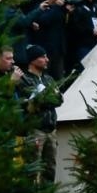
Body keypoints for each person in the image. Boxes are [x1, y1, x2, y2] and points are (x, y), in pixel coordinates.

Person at [15, 44, 62, 185]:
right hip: (35, 129)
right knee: (33, 167)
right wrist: (47, 99)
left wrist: (45, 99)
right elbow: (31, 102)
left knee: (50, 168)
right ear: (33, 60)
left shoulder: (49, 79)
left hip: (51, 129)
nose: (47, 59)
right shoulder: (24, 80)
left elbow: (59, 99)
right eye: (43, 56)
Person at [22, 0, 69, 79]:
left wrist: (66, 11)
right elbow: (44, 21)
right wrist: (56, 7)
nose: (61, 0)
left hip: (58, 49)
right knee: (45, 75)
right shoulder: (41, 6)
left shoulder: (60, 9)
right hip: (45, 48)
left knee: (59, 77)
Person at [64, 0, 97, 71]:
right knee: (85, 70)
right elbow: (74, 27)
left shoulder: (96, 7)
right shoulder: (76, 8)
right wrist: (91, 31)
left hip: (96, 44)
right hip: (82, 46)